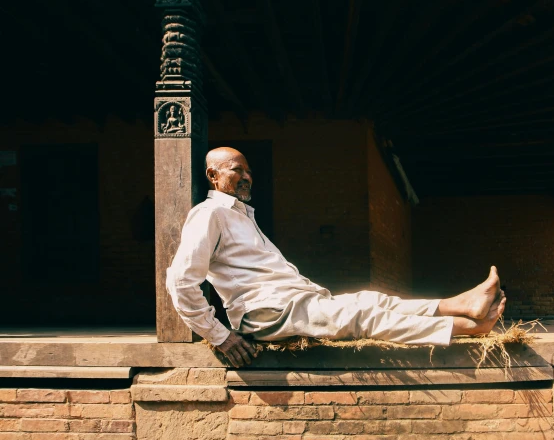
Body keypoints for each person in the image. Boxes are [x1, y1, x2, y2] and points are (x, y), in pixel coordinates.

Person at [166, 147, 506, 367]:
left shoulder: (242, 217)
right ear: (213, 175)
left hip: (294, 301)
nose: (246, 176)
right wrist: (220, 335)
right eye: (236, 170)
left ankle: (461, 304)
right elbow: (181, 281)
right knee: (361, 315)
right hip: (266, 312)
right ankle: (466, 327)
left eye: (248, 171)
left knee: (372, 300)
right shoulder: (209, 214)